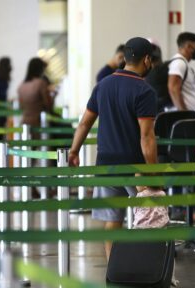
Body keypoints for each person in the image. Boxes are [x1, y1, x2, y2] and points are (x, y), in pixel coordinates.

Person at [69, 37, 158, 260]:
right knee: (150, 217)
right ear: (147, 59)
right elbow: (146, 136)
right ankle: (145, 269)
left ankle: (113, 269)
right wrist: (154, 172)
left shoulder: (103, 85)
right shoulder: (144, 90)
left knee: (113, 220)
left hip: (106, 163)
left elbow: (85, 123)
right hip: (134, 165)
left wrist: (73, 151)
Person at [168, 32, 195, 112]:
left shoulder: (183, 63)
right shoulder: (179, 63)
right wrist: (184, 114)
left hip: (190, 116)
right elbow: (173, 88)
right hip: (184, 118)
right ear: (188, 46)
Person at [18, 57, 53, 127]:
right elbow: (48, 105)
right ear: (40, 69)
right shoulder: (41, 83)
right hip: (39, 122)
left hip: (24, 122)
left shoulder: (22, 85)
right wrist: (53, 94)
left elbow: (21, 106)